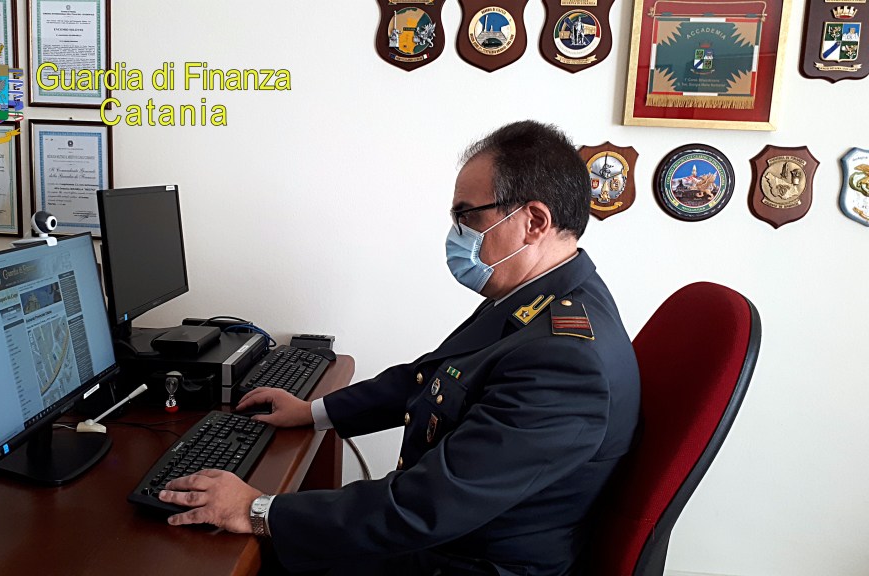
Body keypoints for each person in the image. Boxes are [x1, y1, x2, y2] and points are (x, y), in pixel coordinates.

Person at [158, 120, 641, 576]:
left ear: (533, 221)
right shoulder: (538, 298)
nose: (457, 233)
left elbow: (429, 504)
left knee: (226, 555)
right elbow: (431, 377)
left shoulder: (565, 358)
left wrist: (257, 509)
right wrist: (314, 412)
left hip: (464, 560)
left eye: (467, 216)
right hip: (450, 535)